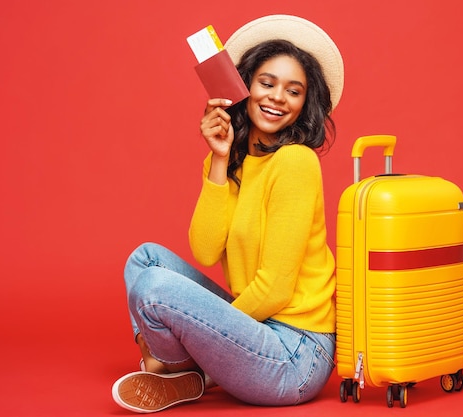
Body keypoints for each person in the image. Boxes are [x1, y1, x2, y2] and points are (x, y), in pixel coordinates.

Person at [111, 14, 345, 413]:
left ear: (306, 103)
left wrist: (207, 332)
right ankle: (185, 370)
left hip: (295, 354)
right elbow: (204, 250)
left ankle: (172, 365)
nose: (276, 98)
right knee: (145, 258)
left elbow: (275, 290)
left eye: (293, 91)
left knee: (154, 285)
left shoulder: (295, 162)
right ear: (244, 86)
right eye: (266, 84)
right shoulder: (231, 160)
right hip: (255, 329)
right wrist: (219, 160)